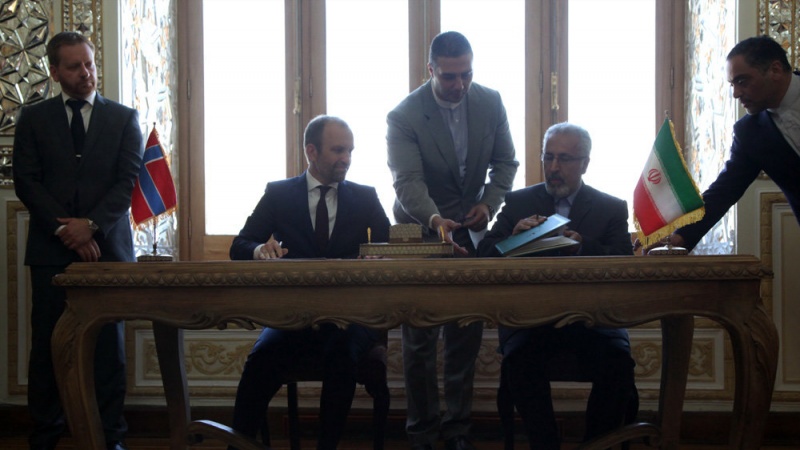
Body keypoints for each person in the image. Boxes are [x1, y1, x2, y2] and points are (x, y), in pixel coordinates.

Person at [386, 31, 518, 450]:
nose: (460, 84)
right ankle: (422, 432)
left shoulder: (491, 102)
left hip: (471, 226)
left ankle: (458, 429)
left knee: (465, 333)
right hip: (422, 228)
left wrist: (489, 203)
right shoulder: (404, 115)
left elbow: (506, 163)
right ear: (431, 70)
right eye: (449, 77)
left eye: (467, 74)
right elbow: (407, 182)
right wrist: (435, 219)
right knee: (419, 339)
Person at [12, 31, 144, 450]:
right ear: (55, 72)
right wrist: (67, 230)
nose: (85, 73)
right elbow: (26, 182)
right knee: (49, 346)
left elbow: (127, 183)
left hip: (108, 251)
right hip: (52, 252)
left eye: (89, 63)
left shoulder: (124, 118)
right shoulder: (33, 119)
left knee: (108, 351)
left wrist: (91, 226)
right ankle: (45, 435)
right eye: (74, 67)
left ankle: (110, 437)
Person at [229, 115, 391, 450]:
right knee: (260, 360)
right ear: (311, 151)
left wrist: (379, 258)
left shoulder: (365, 197)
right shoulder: (279, 194)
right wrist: (261, 250)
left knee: (342, 355)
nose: (346, 159)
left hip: (351, 318)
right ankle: (238, 445)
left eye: (350, 151)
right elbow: (240, 245)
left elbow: (391, 247)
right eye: (338, 150)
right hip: (293, 316)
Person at [477, 123, 638, 450]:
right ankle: (545, 444)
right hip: (531, 322)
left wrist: (584, 246)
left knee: (619, 364)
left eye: (564, 159)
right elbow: (484, 254)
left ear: (584, 164)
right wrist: (514, 238)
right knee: (519, 362)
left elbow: (624, 261)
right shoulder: (519, 202)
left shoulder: (610, 207)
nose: (553, 167)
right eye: (548, 157)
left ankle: (597, 444)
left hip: (594, 321)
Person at [661, 35, 800, 251]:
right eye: (732, 84)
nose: (735, 94)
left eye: (742, 82)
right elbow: (724, 191)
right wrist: (681, 236)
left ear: (775, 70)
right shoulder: (750, 133)